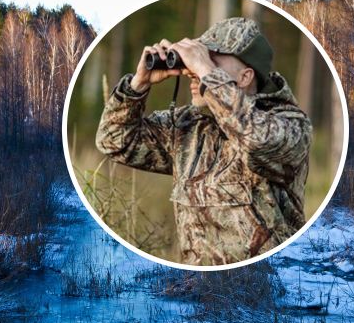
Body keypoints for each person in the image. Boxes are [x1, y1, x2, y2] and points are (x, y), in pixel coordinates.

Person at [95, 17, 312, 266]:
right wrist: (138, 85)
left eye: (211, 60)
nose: (193, 72)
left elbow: (256, 138)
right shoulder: (187, 125)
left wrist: (205, 69)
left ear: (245, 76)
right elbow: (113, 141)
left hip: (265, 288)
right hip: (197, 289)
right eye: (197, 60)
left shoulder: (291, 125)